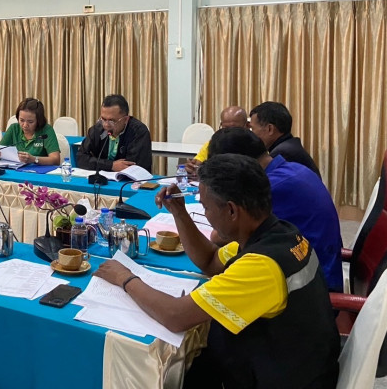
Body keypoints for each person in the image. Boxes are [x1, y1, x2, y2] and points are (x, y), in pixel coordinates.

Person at [95, 154, 339, 388]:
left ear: (232, 211)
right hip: (288, 361)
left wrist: (125, 277)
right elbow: (211, 260)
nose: (206, 215)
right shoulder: (277, 232)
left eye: (206, 207)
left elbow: (175, 316)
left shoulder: (262, 266)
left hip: (280, 378)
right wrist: (179, 212)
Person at [207, 127, 343, 291]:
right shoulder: (295, 168)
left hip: (310, 286)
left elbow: (218, 237)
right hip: (316, 266)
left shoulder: (270, 186)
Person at [76, 94, 151, 172]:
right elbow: (81, 158)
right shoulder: (97, 130)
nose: (106, 125)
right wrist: (111, 165)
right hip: (102, 177)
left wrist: (99, 164)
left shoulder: (139, 132)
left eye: (112, 121)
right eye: (103, 119)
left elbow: (133, 167)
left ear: (125, 119)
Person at [0, 97, 60, 165]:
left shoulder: (46, 130)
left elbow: (56, 159)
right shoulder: (14, 128)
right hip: (16, 169)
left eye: (30, 122)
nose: (25, 125)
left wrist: (34, 159)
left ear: (39, 121)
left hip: (39, 171)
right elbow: (0, 152)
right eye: (21, 120)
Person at [185, 105, 248, 176]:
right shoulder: (213, 144)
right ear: (221, 125)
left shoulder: (253, 144)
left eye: (235, 128)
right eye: (226, 128)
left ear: (247, 126)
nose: (230, 132)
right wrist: (192, 169)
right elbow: (197, 164)